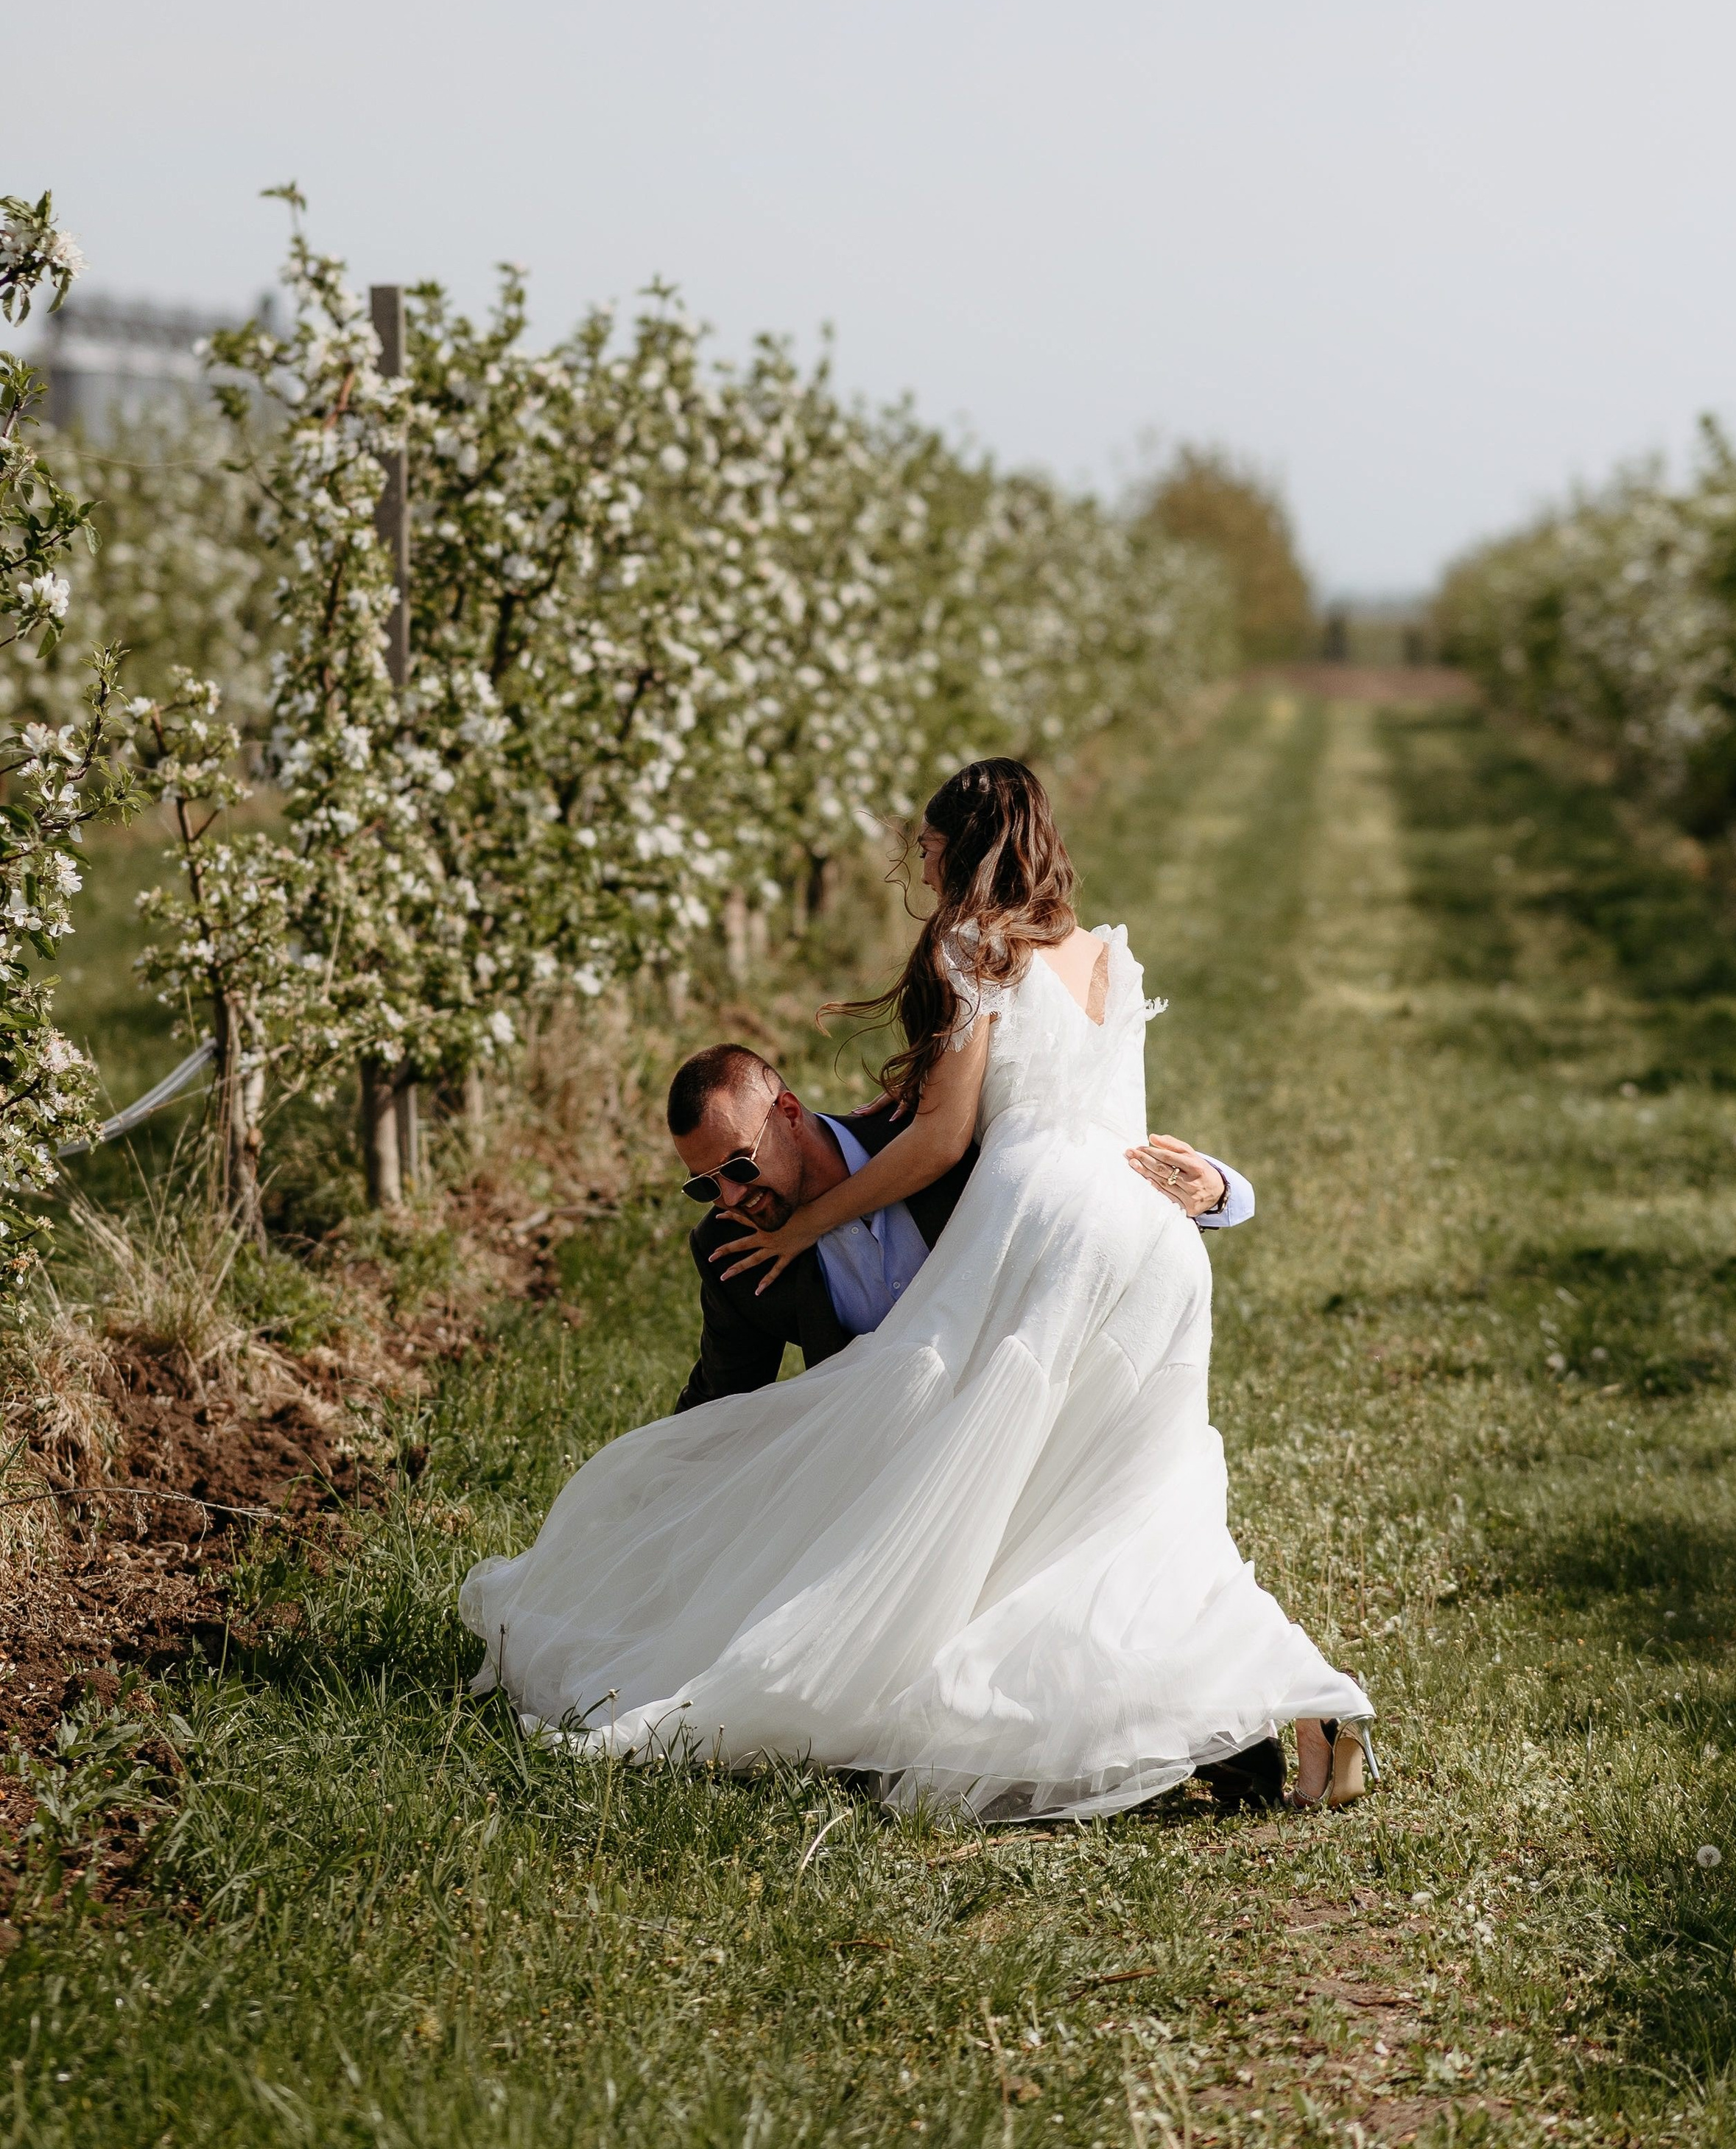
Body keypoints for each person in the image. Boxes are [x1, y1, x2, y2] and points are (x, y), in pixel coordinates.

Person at [460, 757, 1374, 1820]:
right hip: (1154, 1248)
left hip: (1046, 1232)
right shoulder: (1103, 959)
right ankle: (1290, 1710)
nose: (921, 868)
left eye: (928, 851)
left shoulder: (968, 946)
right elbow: (1120, 1131)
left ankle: (971, 1694)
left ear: (959, 848)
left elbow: (941, 1139)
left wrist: (807, 1223)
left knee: (978, 1491)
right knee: (1135, 1501)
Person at [667, 1045, 1254, 1414]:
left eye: (740, 1165)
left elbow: (1091, 1190)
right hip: (882, 1476)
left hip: (1031, 1425)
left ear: (789, 1114)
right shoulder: (727, 1247)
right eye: (705, 1184)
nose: (731, 1198)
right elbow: (721, 1401)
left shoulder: (926, 1138)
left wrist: (1220, 1191)